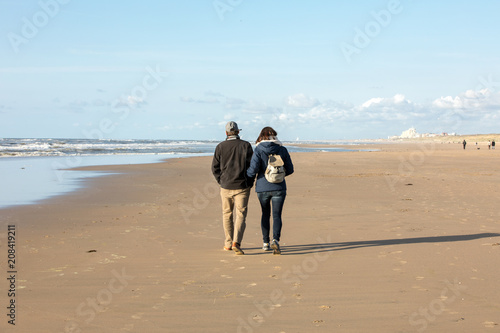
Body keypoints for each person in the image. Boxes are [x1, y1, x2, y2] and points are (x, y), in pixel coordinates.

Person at [247, 127, 294, 255]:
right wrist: (279, 175)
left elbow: (253, 170)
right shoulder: (282, 149)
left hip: (262, 188)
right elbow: (290, 169)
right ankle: (276, 240)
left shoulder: (258, 150)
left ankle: (265, 243)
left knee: (265, 214)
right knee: (277, 215)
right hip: (279, 187)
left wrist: (246, 176)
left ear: (261, 136)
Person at [212, 121, 254, 255]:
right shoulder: (245, 146)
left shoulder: (220, 146)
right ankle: (236, 241)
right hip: (242, 186)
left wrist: (221, 180)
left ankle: (228, 243)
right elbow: (251, 167)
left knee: (227, 214)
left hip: (226, 186)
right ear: (237, 132)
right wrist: (250, 181)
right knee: (240, 215)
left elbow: (215, 168)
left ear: (226, 133)